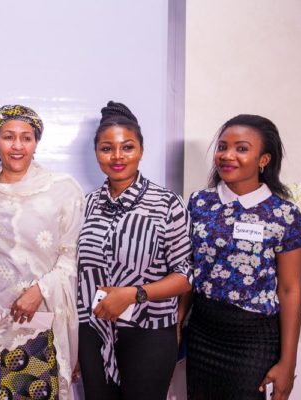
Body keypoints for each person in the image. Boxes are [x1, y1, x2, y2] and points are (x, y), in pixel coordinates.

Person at [0, 105, 84, 400]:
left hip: (38, 325)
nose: (17, 146)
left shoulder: (61, 191)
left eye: (26, 138)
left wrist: (40, 290)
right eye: (8, 137)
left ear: (36, 143)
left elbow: (70, 255)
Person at [76, 101, 193, 400]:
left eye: (127, 147)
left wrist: (132, 294)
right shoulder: (85, 205)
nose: (117, 156)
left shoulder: (168, 203)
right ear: (96, 153)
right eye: (107, 148)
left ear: (141, 149)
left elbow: (185, 276)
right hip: (94, 331)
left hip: (149, 332)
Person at [185, 114, 301, 400]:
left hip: (253, 339)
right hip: (203, 331)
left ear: (264, 159)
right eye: (223, 146)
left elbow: (290, 290)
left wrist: (288, 363)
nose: (227, 155)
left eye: (241, 148)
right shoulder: (200, 202)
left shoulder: (285, 215)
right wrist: (178, 322)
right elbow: (189, 268)